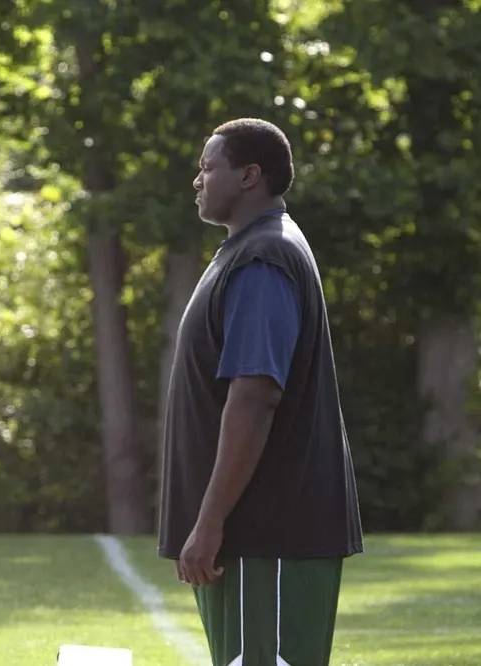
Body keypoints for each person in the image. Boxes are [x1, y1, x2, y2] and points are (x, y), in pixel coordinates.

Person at [158, 118, 363, 665]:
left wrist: (209, 522)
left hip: (263, 533)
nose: (197, 181)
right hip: (251, 537)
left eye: (208, 167)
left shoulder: (264, 258)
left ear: (250, 176)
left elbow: (255, 397)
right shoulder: (247, 249)